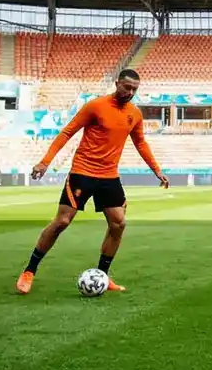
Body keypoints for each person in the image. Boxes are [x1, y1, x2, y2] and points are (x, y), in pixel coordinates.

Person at [17, 69, 168, 294]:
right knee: (62, 222)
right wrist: (45, 162)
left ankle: (103, 277)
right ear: (117, 83)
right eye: (127, 87)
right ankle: (29, 271)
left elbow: (141, 143)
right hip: (83, 172)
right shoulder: (96, 106)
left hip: (109, 176)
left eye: (134, 89)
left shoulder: (134, 114)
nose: (130, 92)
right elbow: (68, 132)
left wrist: (157, 169)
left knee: (119, 223)